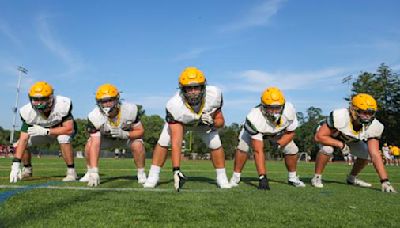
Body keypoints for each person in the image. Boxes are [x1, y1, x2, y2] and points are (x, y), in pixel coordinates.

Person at [143, 67, 231, 191]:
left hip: (203, 123)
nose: (193, 91)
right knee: (163, 141)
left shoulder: (214, 95)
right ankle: (153, 176)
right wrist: (176, 169)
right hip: (181, 123)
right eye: (189, 88)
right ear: (182, 89)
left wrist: (212, 123)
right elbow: (176, 142)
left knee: (216, 143)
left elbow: (221, 121)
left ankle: (222, 178)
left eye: (196, 87)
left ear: (203, 87)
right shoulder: (174, 105)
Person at [311, 93, 396, 193]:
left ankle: (352, 178)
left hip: (349, 139)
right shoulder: (341, 116)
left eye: (370, 113)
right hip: (329, 136)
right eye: (363, 112)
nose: (367, 117)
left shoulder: (374, 126)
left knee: (367, 153)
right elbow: (319, 136)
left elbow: (375, 154)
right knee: (327, 149)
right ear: (353, 110)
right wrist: (340, 144)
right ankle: (317, 177)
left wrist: (385, 181)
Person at [229, 87, 305, 190]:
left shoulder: (289, 110)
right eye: (271, 108)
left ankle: (292, 178)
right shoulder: (254, 117)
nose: (274, 112)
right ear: (263, 106)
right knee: (243, 147)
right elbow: (258, 150)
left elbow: (291, 132)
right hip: (257, 131)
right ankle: (236, 177)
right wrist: (262, 177)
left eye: (277, 107)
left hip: (276, 132)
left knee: (292, 149)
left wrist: (279, 143)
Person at [80, 84, 146, 187]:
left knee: (138, 144)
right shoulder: (95, 116)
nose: (106, 104)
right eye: (103, 101)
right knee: (89, 144)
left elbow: (140, 131)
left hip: (125, 138)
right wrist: (94, 171)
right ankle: (90, 172)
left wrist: (125, 134)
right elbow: (95, 143)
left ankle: (141, 173)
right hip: (107, 140)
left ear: (117, 99)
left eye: (109, 100)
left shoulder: (130, 109)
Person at [10, 81, 77, 183]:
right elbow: (23, 138)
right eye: (36, 99)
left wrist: (46, 131)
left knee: (63, 138)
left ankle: (71, 171)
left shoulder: (61, 104)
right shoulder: (27, 112)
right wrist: (15, 164)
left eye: (43, 99)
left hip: (61, 131)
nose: (39, 103)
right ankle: (27, 169)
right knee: (21, 143)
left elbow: (69, 129)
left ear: (50, 98)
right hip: (42, 132)